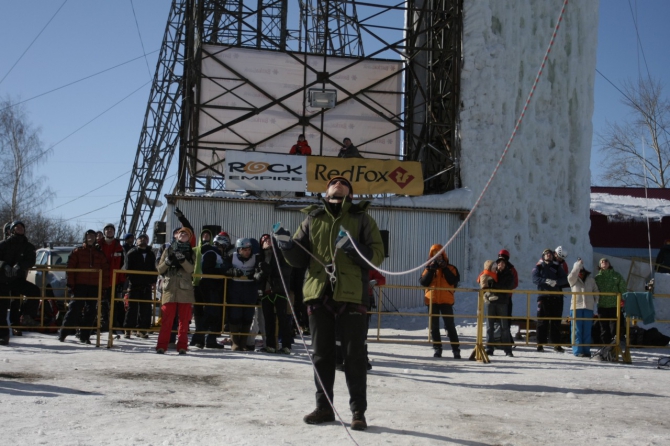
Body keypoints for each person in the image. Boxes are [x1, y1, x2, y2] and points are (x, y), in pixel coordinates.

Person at [274, 175, 384, 431]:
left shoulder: (362, 219)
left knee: (354, 356)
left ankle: (358, 412)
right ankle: (324, 408)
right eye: (333, 182)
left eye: (343, 182)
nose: (337, 182)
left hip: (352, 294)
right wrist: (286, 246)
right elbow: (299, 259)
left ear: (350, 194)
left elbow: (376, 255)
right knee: (321, 355)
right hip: (318, 292)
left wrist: (351, 247)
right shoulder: (313, 218)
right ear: (325, 193)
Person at [59, 229, 110, 344]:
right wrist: (71, 284)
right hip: (80, 285)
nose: (91, 238)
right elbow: (70, 268)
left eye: (93, 236)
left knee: (91, 311)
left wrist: (103, 287)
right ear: (85, 237)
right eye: (89, 236)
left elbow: (105, 271)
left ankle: (85, 336)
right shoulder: (77, 251)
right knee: (74, 309)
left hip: (94, 286)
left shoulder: (99, 254)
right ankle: (63, 333)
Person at [155, 227, 195, 354]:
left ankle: (182, 346)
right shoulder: (168, 249)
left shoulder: (191, 251)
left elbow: (191, 269)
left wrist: (183, 260)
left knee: (184, 321)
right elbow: (159, 270)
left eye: (186, 233)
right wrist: (167, 262)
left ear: (189, 237)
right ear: (176, 236)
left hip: (185, 290)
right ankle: (162, 346)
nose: (183, 234)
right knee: (167, 320)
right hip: (169, 290)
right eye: (180, 232)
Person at [0, 221, 40, 345]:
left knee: (34, 291)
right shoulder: (4, 244)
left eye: (22, 227)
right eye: (17, 227)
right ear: (11, 230)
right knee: (2, 308)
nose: (20, 229)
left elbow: (31, 260)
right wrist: (5, 266)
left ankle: (26, 315)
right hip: (3, 280)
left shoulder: (28, 246)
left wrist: (19, 266)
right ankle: (4, 335)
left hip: (18, 279)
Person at [419, 244, 461, 359]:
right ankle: (437, 349)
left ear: (443, 256)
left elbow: (454, 280)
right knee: (434, 327)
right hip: (432, 301)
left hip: (446, 300)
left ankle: (456, 350)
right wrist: (431, 270)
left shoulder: (451, 268)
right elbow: (423, 282)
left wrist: (444, 268)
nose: (437, 258)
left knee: (450, 326)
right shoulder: (428, 268)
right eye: (434, 256)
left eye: (439, 255)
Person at [225, 238, 263, 351]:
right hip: (235, 290)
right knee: (235, 315)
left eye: (249, 249)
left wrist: (257, 272)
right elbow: (223, 268)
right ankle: (235, 342)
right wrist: (231, 271)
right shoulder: (232, 257)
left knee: (247, 316)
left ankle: (243, 343)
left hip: (250, 290)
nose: (247, 252)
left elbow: (260, 267)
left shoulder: (256, 257)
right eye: (244, 249)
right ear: (239, 250)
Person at [257, 234, 293, 354]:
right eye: (264, 240)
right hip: (266, 291)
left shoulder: (281, 255)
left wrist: (271, 270)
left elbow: (287, 270)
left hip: (279, 290)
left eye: (268, 240)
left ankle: (286, 345)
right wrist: (261, 273)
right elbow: (255, 275)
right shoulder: (259, 257)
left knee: (283, 319)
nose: (266, 242)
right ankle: (270, 345)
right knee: (268, 320)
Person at [532, 248, 569, 352]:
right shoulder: (539, 266)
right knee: (542, 321)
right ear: (543, 256)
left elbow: (565, 279)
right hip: (543, 296)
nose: (548, 255)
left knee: (556, 321)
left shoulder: (557, 267)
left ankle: (556, 344)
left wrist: (556, 282)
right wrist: (546, 281)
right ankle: (540, 344)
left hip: (556, 297)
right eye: (546, 254)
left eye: (550, 254)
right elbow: (535, 279)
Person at [198, 233, 230, 349]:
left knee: (215, 314)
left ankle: (209, 339)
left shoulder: (217, 254)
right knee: (211, 313)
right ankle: (200, 338)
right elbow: (207, 270)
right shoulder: (212, 253)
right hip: (210, 285)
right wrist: (223, 271)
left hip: (215, 286)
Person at [123, 234, 157, 339]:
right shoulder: (131, 253)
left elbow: (154, 268)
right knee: (132, 308)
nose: (142, 240)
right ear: (136, 241)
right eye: (140, 238)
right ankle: (128, 329)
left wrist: (153, 281)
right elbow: (127, 269)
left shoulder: (151, 254)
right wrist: (131, 280)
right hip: (134, 284)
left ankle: (142, 330)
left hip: (146, 285)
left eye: (145, 238)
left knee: (145, 308)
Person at [478, 257, 514, 357]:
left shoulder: (509, 274)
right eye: (499, 263)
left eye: (503, 263)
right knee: (490, 326)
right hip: (490, 302)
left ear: (505, 265)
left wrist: (494, 286)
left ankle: (508, 350)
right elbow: (483, 280)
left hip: (502, 301)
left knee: (504, 327)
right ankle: (489, 348)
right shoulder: (492, 272)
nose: (500, 265)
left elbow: (508, 286)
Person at [567, 259, 599, 357]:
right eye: (578, 269)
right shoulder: (573, 279)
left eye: (581, 269)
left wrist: (596, 301)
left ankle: (586, 350)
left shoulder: (590, 279)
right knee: (577, 330)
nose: (580, 271)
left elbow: (596, 290)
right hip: (576, 307)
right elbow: (572, 275)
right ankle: (577, 350)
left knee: (587, 330)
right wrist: (577, 264)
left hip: (588, 307)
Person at [99, 223, 126, 334]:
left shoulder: (119, 248)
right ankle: (101, 324)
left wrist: (121, 281)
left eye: (111, 229)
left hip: (114, 281)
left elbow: (123, 266)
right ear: (104, 231)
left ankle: (113, 325)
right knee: (100, 303)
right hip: (100, 280)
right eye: (107, 229)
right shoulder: (98, 246)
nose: (109, 231)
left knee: (113, 304)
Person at [189, 227, 214, 348]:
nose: (205, 237)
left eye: (208, 235)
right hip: (196, 283)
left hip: (209, 284)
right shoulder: (194, 250)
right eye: (203, 235)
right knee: (198, 311)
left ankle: (200, 337)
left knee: (209, 311)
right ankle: (199, 339)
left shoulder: (213, 250)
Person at [593, 258, 627, 345]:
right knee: (603, 327)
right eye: (602, 262)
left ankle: (613, 346)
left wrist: (623, 299)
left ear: (609, 264)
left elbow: (623, 288)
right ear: (600, 265)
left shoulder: (616, 275)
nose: (604, 263)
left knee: (614, 327)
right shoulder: (597, 278)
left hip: (614, 305)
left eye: (606, 261)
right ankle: (605, 346)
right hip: (602, 305)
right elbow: (593, 290)